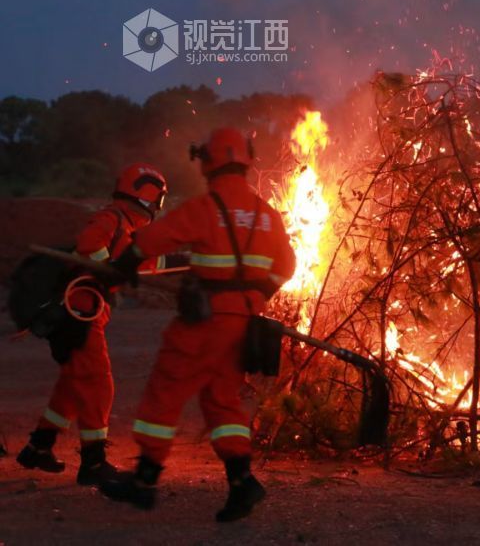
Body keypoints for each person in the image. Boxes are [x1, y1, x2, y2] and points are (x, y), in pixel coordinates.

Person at [98, 127, 295, 522]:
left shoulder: (206, 208)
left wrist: (123, 264)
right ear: (246, 160)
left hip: (202, 323)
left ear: (208, 161)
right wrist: (258, 295)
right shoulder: (266, 214)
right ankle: (242, 482)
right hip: (242, 323)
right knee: (222, 400)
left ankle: (144, 481)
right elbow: (287, 265)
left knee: (165, 390)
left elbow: (154, 238)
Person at [16, 164, 168, 485]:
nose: (158, 207)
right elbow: (89, 243)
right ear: (145, 195)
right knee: (98, 384)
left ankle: (38, 447)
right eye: (158, 199)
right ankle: (93, 463)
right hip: (77, 313)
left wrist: (188, 261)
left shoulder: (126, 227)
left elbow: (140, 261)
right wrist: (105, 267)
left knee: (73, 384)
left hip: (86, 312)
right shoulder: (111, 218)